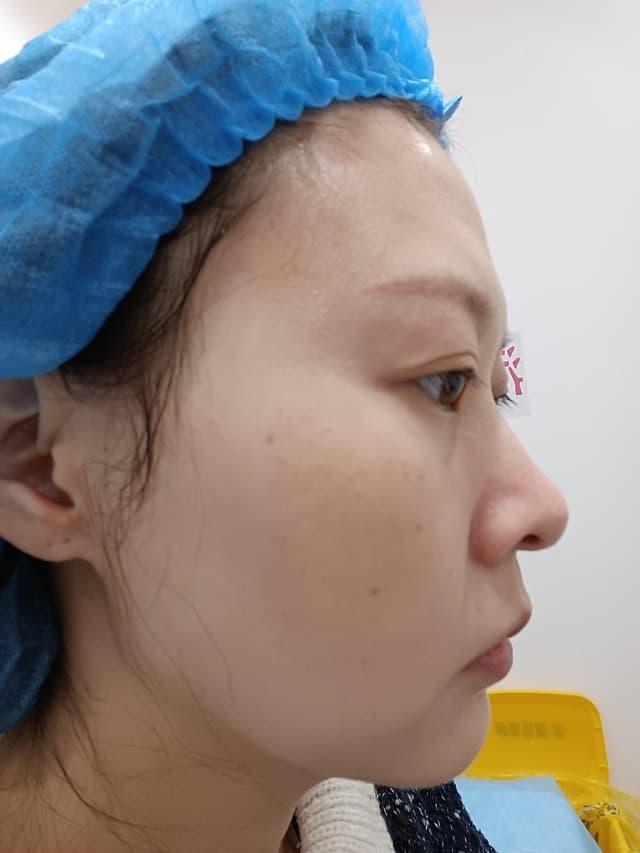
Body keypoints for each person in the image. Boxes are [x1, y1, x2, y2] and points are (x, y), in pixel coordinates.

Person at [0, 0, 569, 850]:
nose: (543, 507)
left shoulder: (419, 810)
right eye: (443, 379)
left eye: (496, 388)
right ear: (38, 465)